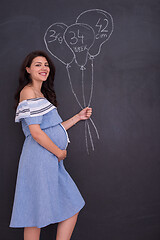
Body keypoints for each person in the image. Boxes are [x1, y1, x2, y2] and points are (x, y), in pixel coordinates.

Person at [9, 50, 92, 240]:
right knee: (34, 213)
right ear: (28, 69)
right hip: (40, 158)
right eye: (38, 64)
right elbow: (36, 133)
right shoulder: (28, 92)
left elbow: (53, 128)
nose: (43, 68)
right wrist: (58, 152)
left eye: (46, 64)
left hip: (49, 159)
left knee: (71, 203)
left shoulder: (41, 94)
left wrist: (78, 117)